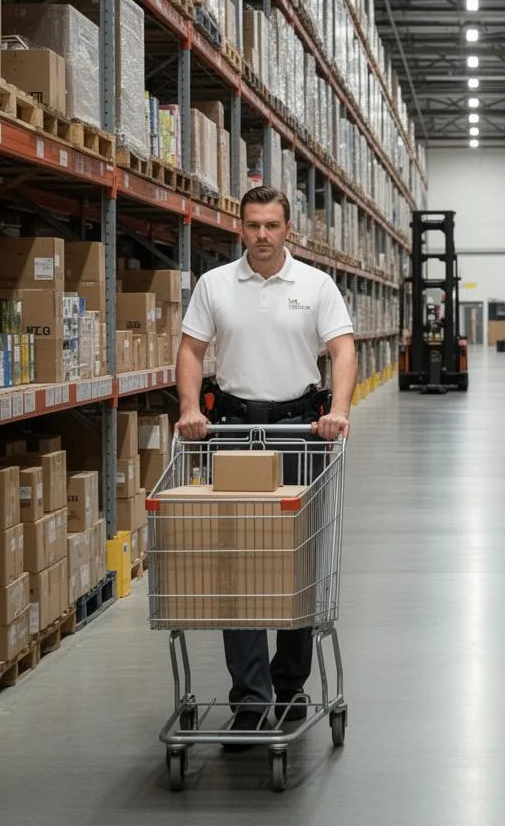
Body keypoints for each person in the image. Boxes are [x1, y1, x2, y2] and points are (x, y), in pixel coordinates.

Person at [175, 185, 357, 749]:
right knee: (242, 564)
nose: (261, 235)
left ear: (287, 230)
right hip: (233, 431)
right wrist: (188, 410)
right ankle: (251, 699)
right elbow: (190, 351)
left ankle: (290, 684)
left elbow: (343, 350)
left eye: (271, 225)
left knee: (297, 562)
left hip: (301, 429)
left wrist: (339, 412)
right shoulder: (215, 285)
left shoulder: (315, 285)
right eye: (252, 225)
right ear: (240, 228)